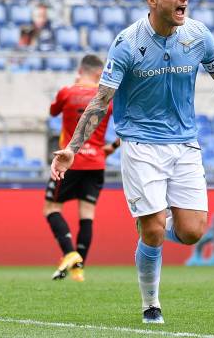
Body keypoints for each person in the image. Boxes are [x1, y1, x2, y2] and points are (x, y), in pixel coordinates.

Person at [50, 0, 214, 324]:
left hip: (185, 144)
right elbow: (101, 99)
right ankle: (151, 304)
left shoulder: (197, 35)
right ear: (153, 0)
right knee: (153, 228)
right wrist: (72, 146)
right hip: (141, 145)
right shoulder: (127, 43)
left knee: (192, 232)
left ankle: (155, 230)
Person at [44, 54, 119, 282]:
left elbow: (53, 112)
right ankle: (79, 270)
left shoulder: (67, 91)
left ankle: (69, 253)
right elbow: (127, 129)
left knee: (51, 208)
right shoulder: (108, 98)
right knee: (87, 215)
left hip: (70, 160)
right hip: (96, 162)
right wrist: (111, 147)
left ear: (80, 70)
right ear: (99, 74)